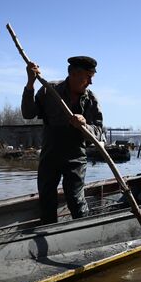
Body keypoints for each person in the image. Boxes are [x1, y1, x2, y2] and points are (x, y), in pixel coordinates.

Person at [21, 56, 104, 224]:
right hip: (50, 155)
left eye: (92, 78)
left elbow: (100, 133)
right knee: (46, 200)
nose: (90, 82)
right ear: (74, 74)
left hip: (76, 157)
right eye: (88, 77)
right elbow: (28, 113)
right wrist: (30, 83)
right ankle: (50, 235)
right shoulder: (49, 91)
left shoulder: (91, 100)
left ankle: (84, 232)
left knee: (76, 199)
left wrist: (84, 125)